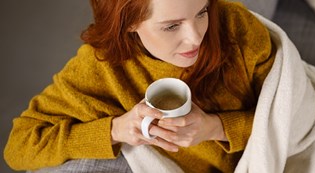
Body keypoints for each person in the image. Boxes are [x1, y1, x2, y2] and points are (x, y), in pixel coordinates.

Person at [4, 0, 275, 172]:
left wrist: (215, 127)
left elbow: (291, 115)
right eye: (171, 26)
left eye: (201, 12)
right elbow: (19, 148)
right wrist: (116, 129)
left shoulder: (235, 25)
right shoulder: (100, 67)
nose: (195, 38)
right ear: (130, 22)